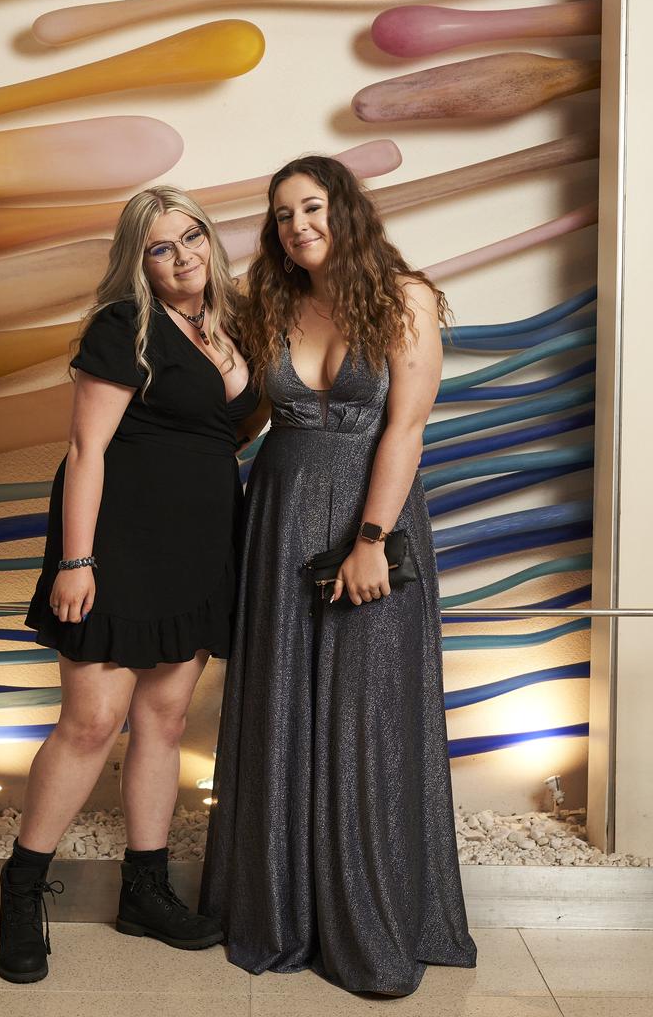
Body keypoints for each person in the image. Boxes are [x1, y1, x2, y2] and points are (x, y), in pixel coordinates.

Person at [199, 156, 477, 995]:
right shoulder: (271, 303)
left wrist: (369, 541)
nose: (296, 226)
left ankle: (373, 914)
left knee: (369, 711)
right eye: (281, 215)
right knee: (281, 701)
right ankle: (280, 908)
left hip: (372, 513)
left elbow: (406, 431)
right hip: (278, 515)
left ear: (345, 210)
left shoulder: (406, 298)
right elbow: (253, 413)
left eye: (310, 207)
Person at [0, 187, 259, 984]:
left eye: (191, 239)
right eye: (159, 247)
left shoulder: (239, 326)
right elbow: (86, 450)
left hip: (205, 541)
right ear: (137, 262)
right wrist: (77, 561)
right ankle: (21, 889)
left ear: (211, 241)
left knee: (166, 717)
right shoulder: (123, 328)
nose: (182, 257)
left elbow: (236, 429)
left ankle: (146, 891)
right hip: (120, 543)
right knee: (90, 721)